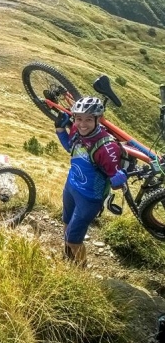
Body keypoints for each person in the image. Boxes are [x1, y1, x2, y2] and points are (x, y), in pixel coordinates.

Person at [54, 96, 127, 267]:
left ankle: (81, 272)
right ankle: (68, 258)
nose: (82, 124)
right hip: (71, 187)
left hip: (89, 198)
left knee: (73, 239)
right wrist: (60, 130)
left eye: (88, 119)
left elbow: (116, 181)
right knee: (66, 223)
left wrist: (120, 177)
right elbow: (70, 148)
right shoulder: (76, 131)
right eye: (78, 119)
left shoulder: (107, 147)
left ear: (97, 119)